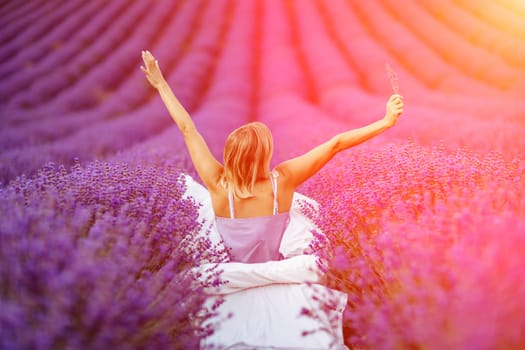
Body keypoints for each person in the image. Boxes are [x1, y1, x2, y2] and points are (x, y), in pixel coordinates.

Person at [141, 50, 403, 348]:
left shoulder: (217, 184)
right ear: (264, 154)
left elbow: (188, 129)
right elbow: (336, 144)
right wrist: (385, 122)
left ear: (231, 155)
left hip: (231, 280)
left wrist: (161, 84)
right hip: (281, 275)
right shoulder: (283, 181)